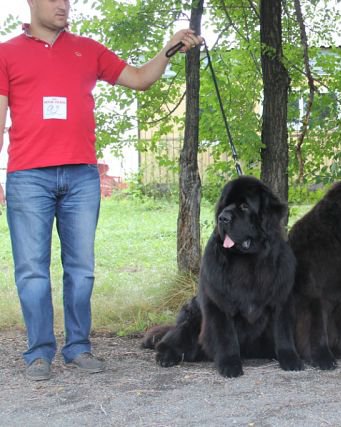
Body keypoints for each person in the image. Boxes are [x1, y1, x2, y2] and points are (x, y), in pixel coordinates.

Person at [0, 0, 203, 381]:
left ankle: (78, 347)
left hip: (80, 177)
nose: (63, 5)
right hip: (28, 177)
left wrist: (169, 47)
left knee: (81, 270)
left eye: (68, 0)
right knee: (32, 272)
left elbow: (141, 79)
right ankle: (39, 352)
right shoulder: (5, 53)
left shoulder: (87, 49)